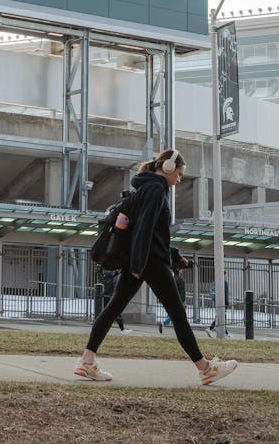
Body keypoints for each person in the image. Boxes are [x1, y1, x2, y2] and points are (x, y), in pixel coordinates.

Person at [75, 148, 238, 385]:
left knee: (113, 308)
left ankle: (87, 361)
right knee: (178, 314)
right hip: (149, 262)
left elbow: (153, 233)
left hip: (142, 260)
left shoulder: (146, 187)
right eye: (179, 174)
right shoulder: (155, 189)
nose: (179, 180)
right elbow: (145, 229)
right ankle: (205, 368)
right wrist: (141, 264)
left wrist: (171, 256)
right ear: (168, 168)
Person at [159, 248, 191, 334]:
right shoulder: (181, 280)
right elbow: (182, 292)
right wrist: (183, 302)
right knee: (179, 314)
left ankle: (167, 324)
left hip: (172, 298)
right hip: (179, 300)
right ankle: (166, 323)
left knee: (174, 314)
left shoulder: (173, 279)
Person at [102, 268, 132, 335]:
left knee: (112, 314)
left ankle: (122, 330)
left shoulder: (109, 274)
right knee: (115, 313)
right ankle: (122, 330)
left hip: (108, 296)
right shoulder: (112, 275)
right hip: (109, 297)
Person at [206, 273, 231, 338]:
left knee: (221, 317)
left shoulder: (216, 282)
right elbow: (226, 294)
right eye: (225, 274)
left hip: (217, 302)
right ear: (224, 275)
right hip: (223, 303)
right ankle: (210, 328)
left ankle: (226, 333)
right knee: (221, 318)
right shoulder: (224, 283)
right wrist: (227, 303)